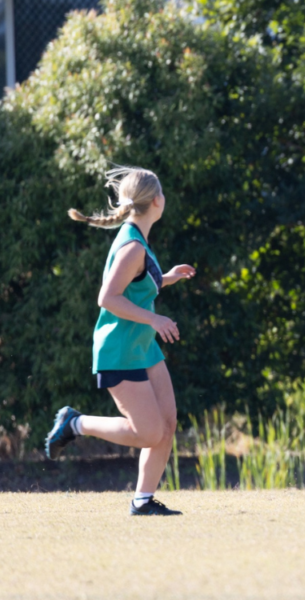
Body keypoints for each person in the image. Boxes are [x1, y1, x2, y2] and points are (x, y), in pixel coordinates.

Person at [45, 167, 195, 515]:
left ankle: (142, 501)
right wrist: (155, 319)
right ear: (156, 201)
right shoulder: (132, 246)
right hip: (120, 349)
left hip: (141, 346)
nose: (165, 198)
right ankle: (75, 423)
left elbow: (136, 283)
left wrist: (166, 277)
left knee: (167, 425)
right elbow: (108, 298)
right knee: (149, 433)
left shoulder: (138, 238)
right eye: (163, 193)